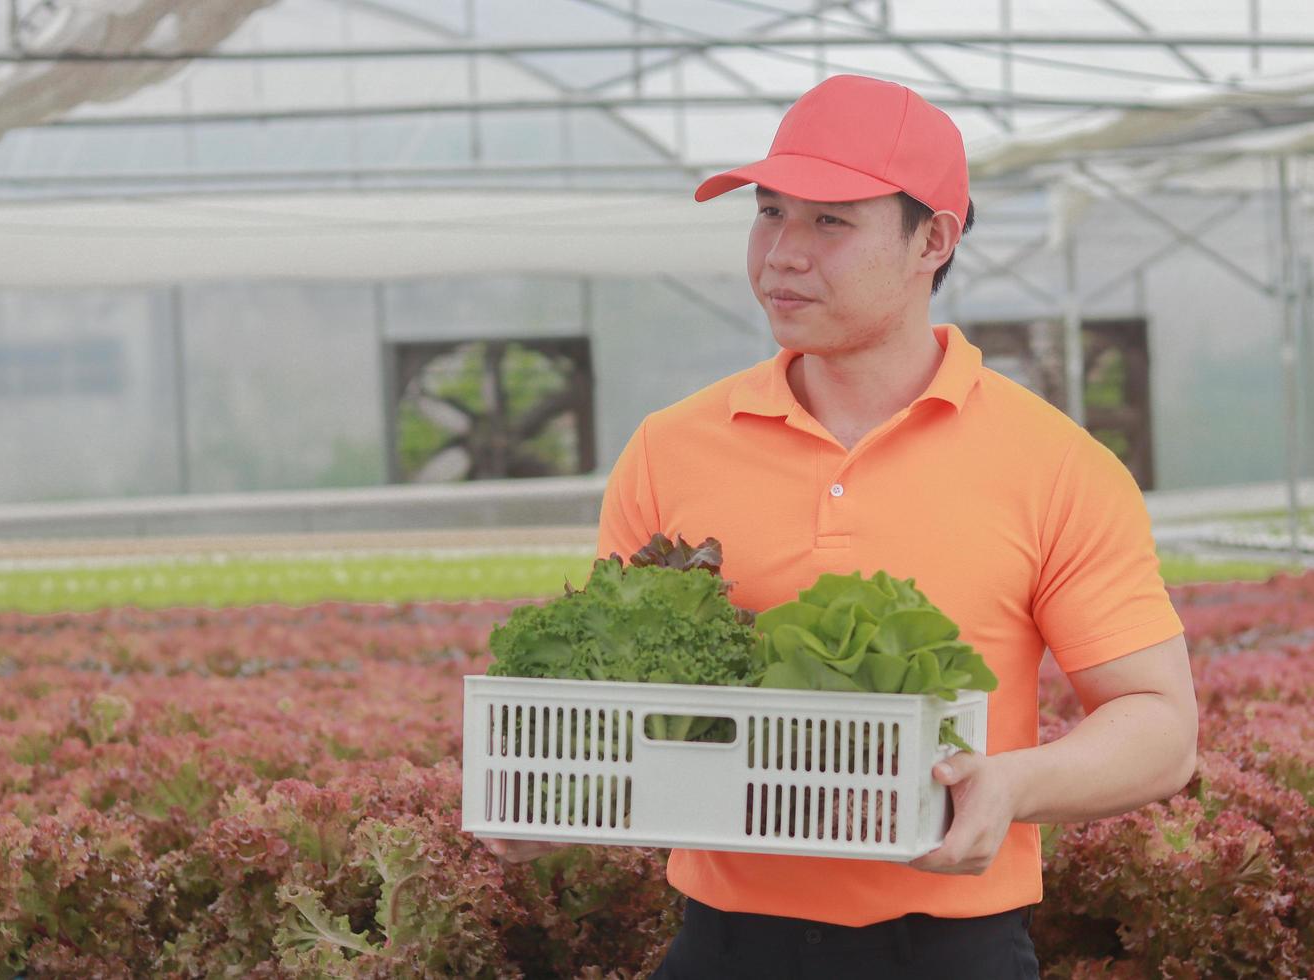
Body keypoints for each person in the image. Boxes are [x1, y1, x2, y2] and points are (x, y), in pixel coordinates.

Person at [482, 73, 1198, 979]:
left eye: (829, 222)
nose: (782, 253)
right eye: (769, 213)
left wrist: (1010, 784)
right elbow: (620, 700)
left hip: (949, 948)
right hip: (724, 944)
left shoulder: (1054, 465)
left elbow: (1158, 725)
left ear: (931, 239)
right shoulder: (670, 449)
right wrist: (559, 793)